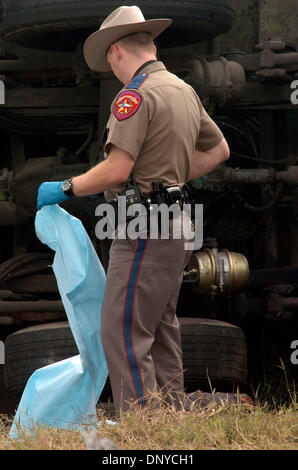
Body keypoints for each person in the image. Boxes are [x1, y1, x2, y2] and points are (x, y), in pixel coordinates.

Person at [37, 6, 230, 412]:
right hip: (176, 224)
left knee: (121, 329)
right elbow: (219, 150)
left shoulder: (135, 96)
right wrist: (171, 178)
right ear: (152, 45)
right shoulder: (181, 89)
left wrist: (64, 187)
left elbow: (117, 170)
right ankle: (170, 421)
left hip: (144, 225)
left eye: (110, 61)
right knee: (159, 328)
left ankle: (143, 427)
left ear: (116, 52)